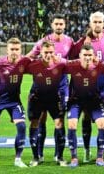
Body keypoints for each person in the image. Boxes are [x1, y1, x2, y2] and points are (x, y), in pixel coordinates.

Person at [70, 11, 104, 162]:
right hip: (84, 88)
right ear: (90, 24)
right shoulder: (82, 43)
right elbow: (70, 60)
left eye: (100, 22)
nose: (97, 24)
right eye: (94, 22)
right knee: (85, 117)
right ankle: (86, 150)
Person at [27, 13, 73, 163]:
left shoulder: (69, 41)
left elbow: (74, 61)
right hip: (41, 87)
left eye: (61, 24)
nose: (59, 26)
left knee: (59, 120)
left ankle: (57, 155)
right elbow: (29, 57)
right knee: (41, 119)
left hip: (60, 88)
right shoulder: (43, 42)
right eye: (56, 24)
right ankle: (38, 155)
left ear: (64, 25)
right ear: (52, 25)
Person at [0, 38, 30, 168]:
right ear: (7, 50)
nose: (14, 52)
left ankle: (18, 159)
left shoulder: (24, 62)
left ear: (20, 50)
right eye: (12, 49)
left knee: (22, 127)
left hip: (14, 102)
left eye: (17, 49)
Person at [65, 44, 104, 168]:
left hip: (93, 102)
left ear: (93, 56)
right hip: (76, 101)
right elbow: (60, 65)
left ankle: (100, 157)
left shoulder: (100, 67)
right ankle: (74, 158)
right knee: (72, 124)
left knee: (102, 124)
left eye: (90, 55)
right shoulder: (73, 66)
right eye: (85, 55)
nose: (87, 58)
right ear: (80, 56)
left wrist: (101, 97)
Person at [25, 41, 67, 167]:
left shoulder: (60, 63)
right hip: (37, 97)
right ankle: (36, 157)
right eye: (46, 52)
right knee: (35, 122)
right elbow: (17, 68)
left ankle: (59, 157)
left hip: (54, 97)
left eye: (51, 52)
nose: (48, 55)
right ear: (40, 53)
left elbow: (75, 66)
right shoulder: (33, 64)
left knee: (59, 123)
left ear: (54, 52)